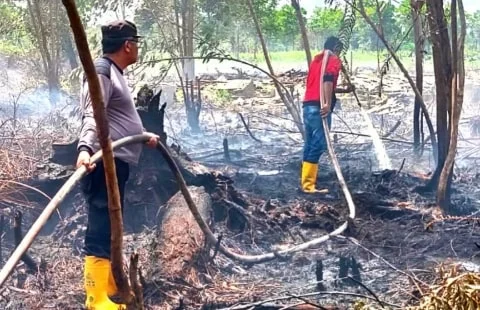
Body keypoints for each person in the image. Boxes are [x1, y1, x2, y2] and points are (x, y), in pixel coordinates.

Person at [76, 20, 158, 309]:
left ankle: (109, 285)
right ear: (127, 45)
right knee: (100, 226)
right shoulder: (101, 71)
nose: (137, 48)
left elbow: (117, 117)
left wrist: (141, 135)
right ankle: (95, 298)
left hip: (117, 162)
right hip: (101, 165)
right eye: (136, 42)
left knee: (112, 226)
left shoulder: (116, 72)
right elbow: (91, 114)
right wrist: (85, 149)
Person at [300, 36, 354, 193]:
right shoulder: (333, 59)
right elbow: (327, 81)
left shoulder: (317, 61)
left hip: (308, 106)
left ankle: (305, 181)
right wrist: (327, 105)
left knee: (309, 143)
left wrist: (344, 90)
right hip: (319, 107)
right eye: (339, 51)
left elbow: (320, 84)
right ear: (336, 49)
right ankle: (309, 186)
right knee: (319, 143)